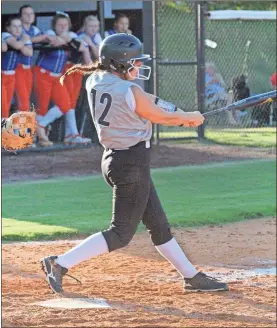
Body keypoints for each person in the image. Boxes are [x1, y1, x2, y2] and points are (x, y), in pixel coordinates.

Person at [40, 33, 229, 294]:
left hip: (115, 160)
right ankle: (60, 263)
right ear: (119, 63)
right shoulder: (129, 90)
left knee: (158, 224)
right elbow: (156, 114)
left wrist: (184, 114)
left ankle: (191, 276)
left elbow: (148, 101)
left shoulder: (96, 79)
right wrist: (187, 119)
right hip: (131, 165)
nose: (138, 67)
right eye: (134, 62)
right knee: (120, 233)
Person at [34, 12, 92, 146]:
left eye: (65, 25)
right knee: (42, 106)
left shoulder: (70, 35)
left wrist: (67, 39)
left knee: (65, 105)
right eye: (59, 25)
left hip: (57, 76)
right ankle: (37, 138)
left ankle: (41, 126)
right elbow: (53, 40)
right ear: (54, 25)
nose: (62, 27)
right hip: (43, 72)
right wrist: (56, 38)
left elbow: (82, 46)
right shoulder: (49, 32)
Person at [1, 17, 33, 119]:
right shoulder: (5, 35)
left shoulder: (20, 38)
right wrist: (24, 40)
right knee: (3, 108)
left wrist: (21, 43)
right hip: (2, 74)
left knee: (7, 106)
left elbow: (29, 52)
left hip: (11, 76)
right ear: (8, 28)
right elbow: (16, 45)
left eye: (19, 26)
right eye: (14, 26)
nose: (18, 29)